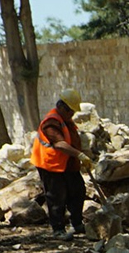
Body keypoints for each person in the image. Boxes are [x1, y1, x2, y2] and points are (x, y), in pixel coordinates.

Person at [31, 88, 93, 239]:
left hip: (67, 165)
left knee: (78, 191)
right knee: (56, 197)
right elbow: (59, 144)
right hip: (50, 165)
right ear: (62, 107)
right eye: (71, 111)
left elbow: (73, 140)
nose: (72, 114)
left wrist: (83, 157)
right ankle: (58, 229)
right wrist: (80, 155)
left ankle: (77, 224)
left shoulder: (66, 120)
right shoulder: (51, 122)